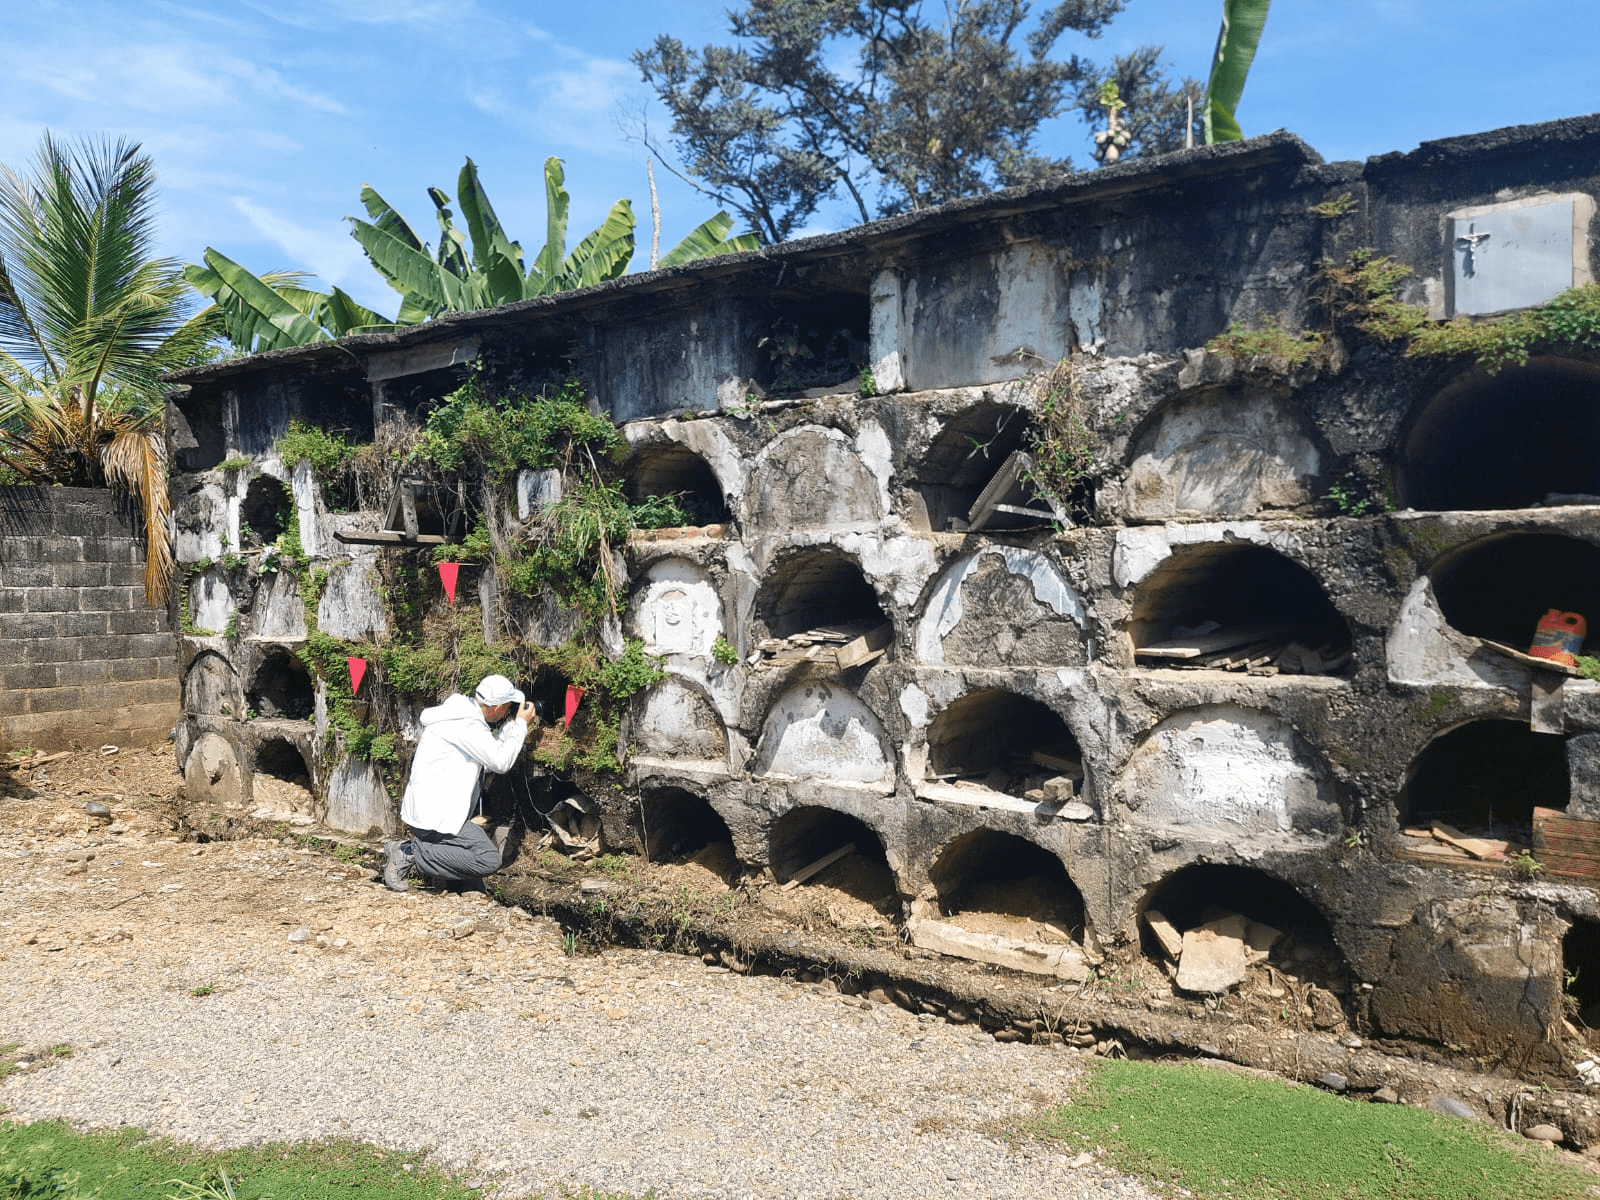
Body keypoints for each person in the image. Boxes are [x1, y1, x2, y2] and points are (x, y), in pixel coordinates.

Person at [384, 673, 537, 893]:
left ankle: (463, 885)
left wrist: (511, 727)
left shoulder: (459, 715)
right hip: (436, 819)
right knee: (488, 860)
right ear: (496, 708)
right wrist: (521, 725)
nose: (509, 710)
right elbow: (501, 762)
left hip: (429, 813)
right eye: (508, 706)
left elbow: (489, 753)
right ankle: (408, 853)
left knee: (474, 856)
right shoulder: (466, 725)